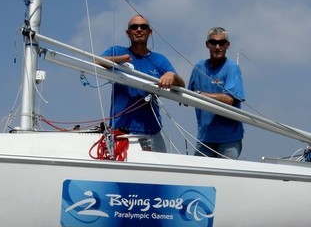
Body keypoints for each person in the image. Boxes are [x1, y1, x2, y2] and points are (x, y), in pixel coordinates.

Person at [101, 14, 185, 153]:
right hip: (122, 131)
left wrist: (171, 76)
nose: (139, 29)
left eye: (143, 27)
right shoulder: (117, 51)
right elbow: (95, 62)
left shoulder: (159, 60)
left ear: (149, 32)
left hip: (151, 131)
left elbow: (181, 84)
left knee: (160, 172)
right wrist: (122, 59)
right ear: (128, 33)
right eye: (134, 27)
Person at [188, 27, 245, 159]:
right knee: (199, 177)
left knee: (226, 178)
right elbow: (187, 95)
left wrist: (200, 94)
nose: (217, 47)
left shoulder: (232, 68)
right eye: (213, 43)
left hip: (228, 140)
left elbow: (229, 99)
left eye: (222, 43)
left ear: (227, 45)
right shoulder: (199, 67)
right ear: (207, 44)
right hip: (205, 138)